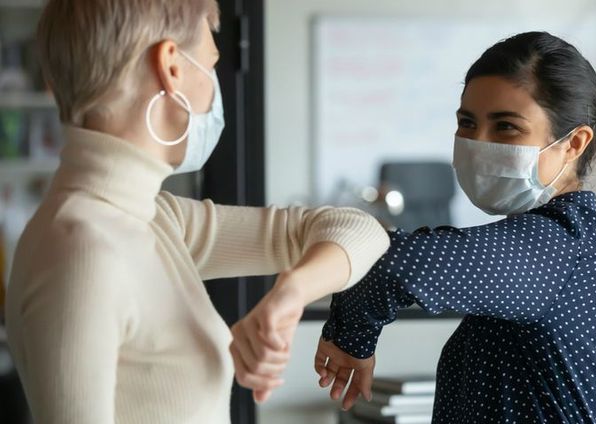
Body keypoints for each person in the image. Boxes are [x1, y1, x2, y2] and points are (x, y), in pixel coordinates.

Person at [3, 1, 389, 423]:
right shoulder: (80, 248)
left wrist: (289, 294)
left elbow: (361, 229)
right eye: (211, 63)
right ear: (171, 66)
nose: (213, 85)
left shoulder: (151, 218)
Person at [246, 31, 596, 423]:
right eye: (467, 123)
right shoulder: (567, 244)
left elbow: (390, 263)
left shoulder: (563, 245)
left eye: (506, 127)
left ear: (574, 144)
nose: (478, 142)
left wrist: (349, 336)